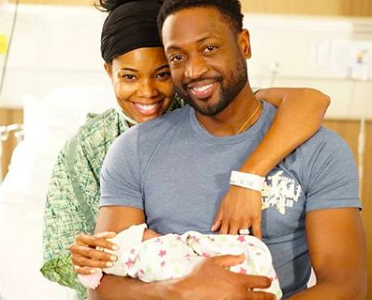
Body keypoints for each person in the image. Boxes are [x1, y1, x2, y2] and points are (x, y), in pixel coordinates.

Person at [41, 0, 331, 298]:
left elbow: (311, 101)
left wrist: (249, 176)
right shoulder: (91, 150)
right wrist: (85, 257)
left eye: (163, 73)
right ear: (109, 72)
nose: (147, 91)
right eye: (130, 76)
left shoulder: (205, 104)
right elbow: (84, 273)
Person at [77, 224, 283, 300]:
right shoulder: (133, 150)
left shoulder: (308, 148)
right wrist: (177, 291)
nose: (151, 234)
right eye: (145, 235)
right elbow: (101, 293)